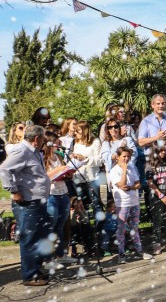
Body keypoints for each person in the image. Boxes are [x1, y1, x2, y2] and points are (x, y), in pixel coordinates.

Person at [0, 125, 53, 285]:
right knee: (29, 238)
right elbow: (4, 169)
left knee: (38, 236)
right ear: (37, 138)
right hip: (27, 203)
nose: (45, 140)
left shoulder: (34, 151)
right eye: (43, 137)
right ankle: (30, 275)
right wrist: (14, 191)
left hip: (38, 201)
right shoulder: (22, 150)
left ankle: (36, 269)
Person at [109, 146, 151, 262]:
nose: (126, 159)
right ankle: (121, 254)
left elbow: (138, 184)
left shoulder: (132, 167)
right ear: (117, 158)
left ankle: (139, 250)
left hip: (134, 201)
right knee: (121, 229)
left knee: (135, 228)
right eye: (124, 156)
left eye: (128, 156)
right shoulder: (114, 171)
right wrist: (124, 170)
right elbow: (122, 185)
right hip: (122, 204)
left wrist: (131, 187)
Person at [42, 131, 75, 267]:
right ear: (49, 143)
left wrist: (68, 174)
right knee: (50, 226)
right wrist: (59, 170)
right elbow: (45, 177)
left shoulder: (59, 157)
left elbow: (63, 172)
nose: (59, 144)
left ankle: (60, 254)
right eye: (56, 142)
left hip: (63, 193)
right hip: (51, 195)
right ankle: (48, 259)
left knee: (60, 226)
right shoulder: (44, 158)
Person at [146, 144, 166, 254]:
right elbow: (150, 182)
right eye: (161, 151)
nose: (163, 152)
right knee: (157, 221)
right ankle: (157, 243)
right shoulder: (150, 164)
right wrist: (160, 196)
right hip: (157, 197)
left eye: (164, 150)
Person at [70, 120, 103, 217]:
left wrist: (86, 159)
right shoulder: (75, 142)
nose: (75, 133)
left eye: (77, 131)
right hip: (78, 178)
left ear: (85, 131)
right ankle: (86, 228)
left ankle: (99, 229)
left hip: (92, 178)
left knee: (97, 204)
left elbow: (100, 161)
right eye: (75, 131)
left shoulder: (95, 141)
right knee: (82, 206)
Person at [138, 95, 166, 163]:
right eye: (158, 103)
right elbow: (141, 142)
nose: (161, 106)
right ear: (152, 105)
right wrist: (157, 137)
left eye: (163, 103)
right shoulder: (146, 121)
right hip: (152, 159)